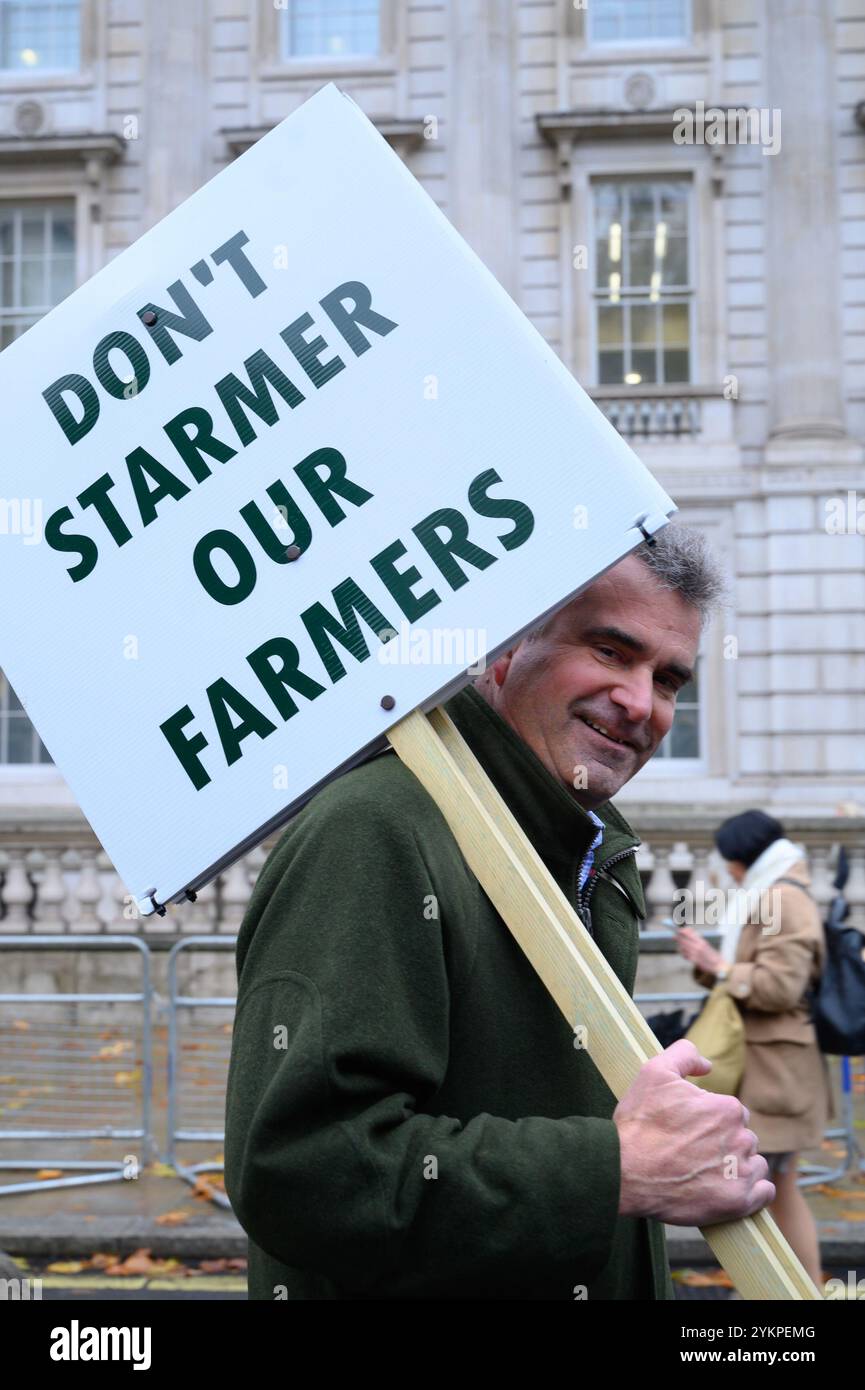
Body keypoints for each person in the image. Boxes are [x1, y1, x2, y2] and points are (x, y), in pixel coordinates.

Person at [224, 527, 777, 1300]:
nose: (640, 704)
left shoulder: (577, 847)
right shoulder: (376, 830)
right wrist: (616, 1170)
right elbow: (303, 1170)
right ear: (504, 649)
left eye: (669, 679)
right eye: (610, 651)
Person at [676, 809, 832, 1290]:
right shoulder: (774, 892)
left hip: (776, 1073)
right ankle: (791, 1288)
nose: (729, 873)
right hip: (772, 1068)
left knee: (772, 1186)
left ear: (745, 858)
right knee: (777, 1187)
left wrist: (718, 967)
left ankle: (794, 1289)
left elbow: (779, 988)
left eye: (731, 863)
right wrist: (712, 964)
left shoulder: (783, 898)